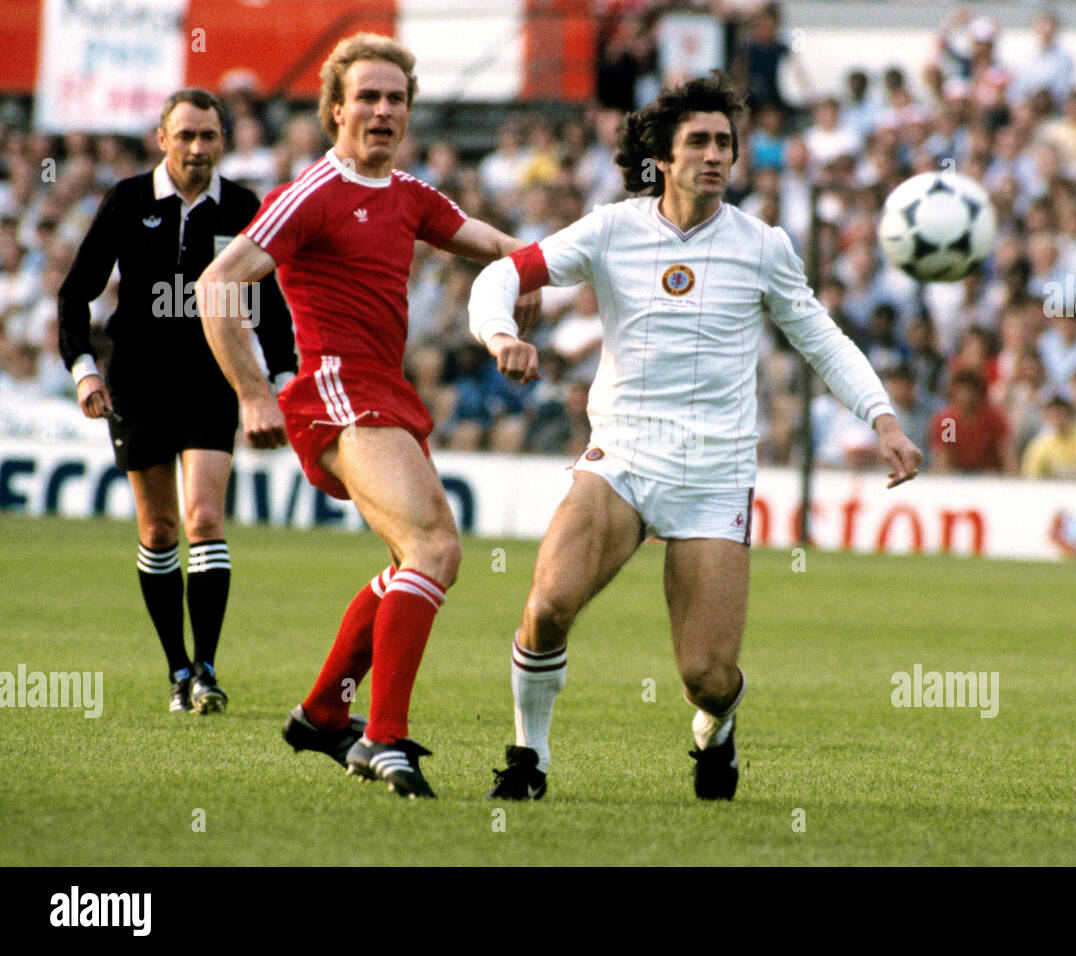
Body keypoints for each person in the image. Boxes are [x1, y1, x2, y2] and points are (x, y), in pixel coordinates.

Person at [467, 75, 922, 801]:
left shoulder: (762, 245)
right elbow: (501, 274)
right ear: (664, 159)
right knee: (548, 603)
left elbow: (823, 341)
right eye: (699, 143)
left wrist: (885, 419)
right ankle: (529, 759)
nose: (715, 155)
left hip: (713, 474)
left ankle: (717, 732)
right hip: (621, 457)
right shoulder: (610, 229)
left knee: (706, 678)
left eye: (725, 144)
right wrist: (500, 335)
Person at [196, 33, 539, 799]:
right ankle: (382, 737)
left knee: (413, 560)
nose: (384, 111)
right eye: (369, 98)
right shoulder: (313, 192)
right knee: (434, 547)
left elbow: (487, 241)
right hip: (336, 393)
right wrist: (252, 392)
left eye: (397, 99)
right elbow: (218, 284)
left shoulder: (409, 194)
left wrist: (535, 270)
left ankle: (323, 713)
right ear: (336, 110)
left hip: (383, 393)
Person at [57, 88, 298, 716]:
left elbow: (267, 304)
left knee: (204, 521)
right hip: (137, 382)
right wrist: (85, 371)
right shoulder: (129, 200)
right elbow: (74, 294)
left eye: (209, 136)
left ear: (223, 142)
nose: (197, 148)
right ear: (162, 139)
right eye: (185, 135)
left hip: (212, 380)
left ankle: (209, 670)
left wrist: (282, 377)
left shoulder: (244, 207)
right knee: (159, 529)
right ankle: (177, 669)